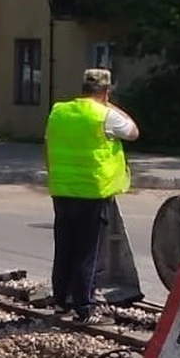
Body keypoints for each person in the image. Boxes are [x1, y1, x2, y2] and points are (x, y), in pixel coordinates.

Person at [44, 68, 140, 325]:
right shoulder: (105, 115)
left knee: (64, 248)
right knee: (89, 252)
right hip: (91, 192)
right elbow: (133, 132)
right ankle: (84, 308)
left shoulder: (59, 112)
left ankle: (61, 303)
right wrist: (113, 107)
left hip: (62, 190)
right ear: (106, 92)